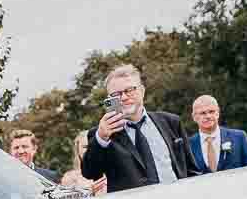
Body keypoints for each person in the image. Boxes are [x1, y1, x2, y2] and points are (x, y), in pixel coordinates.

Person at [80, 63, 191, 192]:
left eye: (129, 90)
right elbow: (90, 172)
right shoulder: (102, 134)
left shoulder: (171, 122)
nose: (124, 97)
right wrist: (101, 138)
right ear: (110, 100)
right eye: (116, 94)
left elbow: (190, 169)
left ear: (142, 91)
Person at [183, 95, 247, 173]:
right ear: (194, 117)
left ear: (218, 113)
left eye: (211, 112)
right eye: (202, 113)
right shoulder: (188, 145)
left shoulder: (239, 137)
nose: (208, 116)